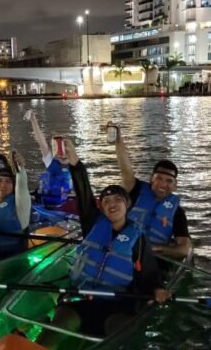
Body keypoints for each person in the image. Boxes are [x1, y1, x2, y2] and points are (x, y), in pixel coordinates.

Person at [37, 139, 169, 346]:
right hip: (79, 299)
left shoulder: (137, 238)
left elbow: (150, 274)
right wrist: (74, 161)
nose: (111, 204)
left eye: (117, 200)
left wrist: (158, 288)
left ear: (127, 205)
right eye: (106, 202)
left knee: (122, 338)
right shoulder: (92, 222)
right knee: (54, 331)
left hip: (116, 305)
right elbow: (83, 191)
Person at [113, 125, 191, 259]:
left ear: (175, 186)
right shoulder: (135, 190)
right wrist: (117, 140)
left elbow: (184, 249)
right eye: (159, 178)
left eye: (169, 181)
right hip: (120, 251)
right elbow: (126, 170)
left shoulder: (177, 213)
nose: (163, 184)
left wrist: (156, 248)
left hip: (149, 260)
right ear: (151, 179)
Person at [28, 111, 73, 208]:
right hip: (46, 205)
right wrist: (33, 120)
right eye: (56, 148)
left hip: (63, 205)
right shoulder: (51, 162)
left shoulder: (75, 166)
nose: (61, 152)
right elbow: (41, 142)